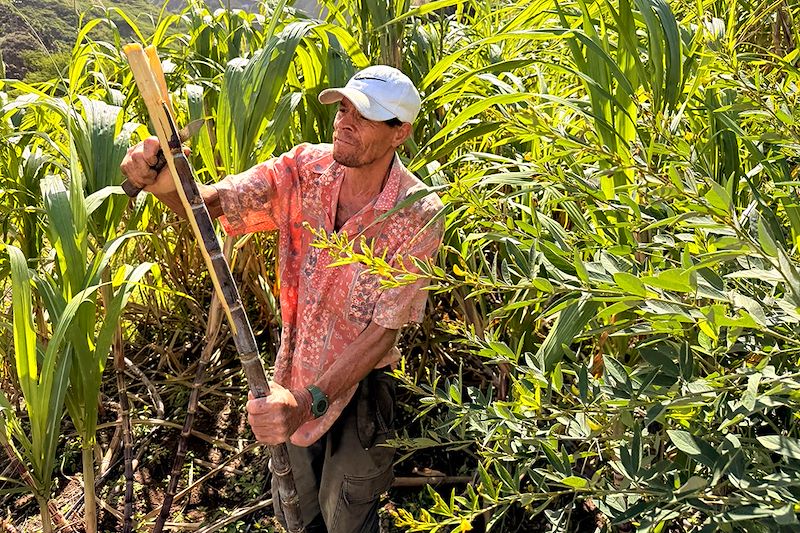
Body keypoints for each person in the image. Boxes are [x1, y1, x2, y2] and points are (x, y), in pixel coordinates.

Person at [121, 65, 444, 532]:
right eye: (345, 107)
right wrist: (164, 179)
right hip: (294, 370)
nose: (344, 121)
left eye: (366, 115)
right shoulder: (304, 169)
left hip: (362, 383)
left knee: (348, 510)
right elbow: (212, 205)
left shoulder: (416, 214)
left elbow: (382, 332)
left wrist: (306, 401)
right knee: (299, 506)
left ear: (400, 133)